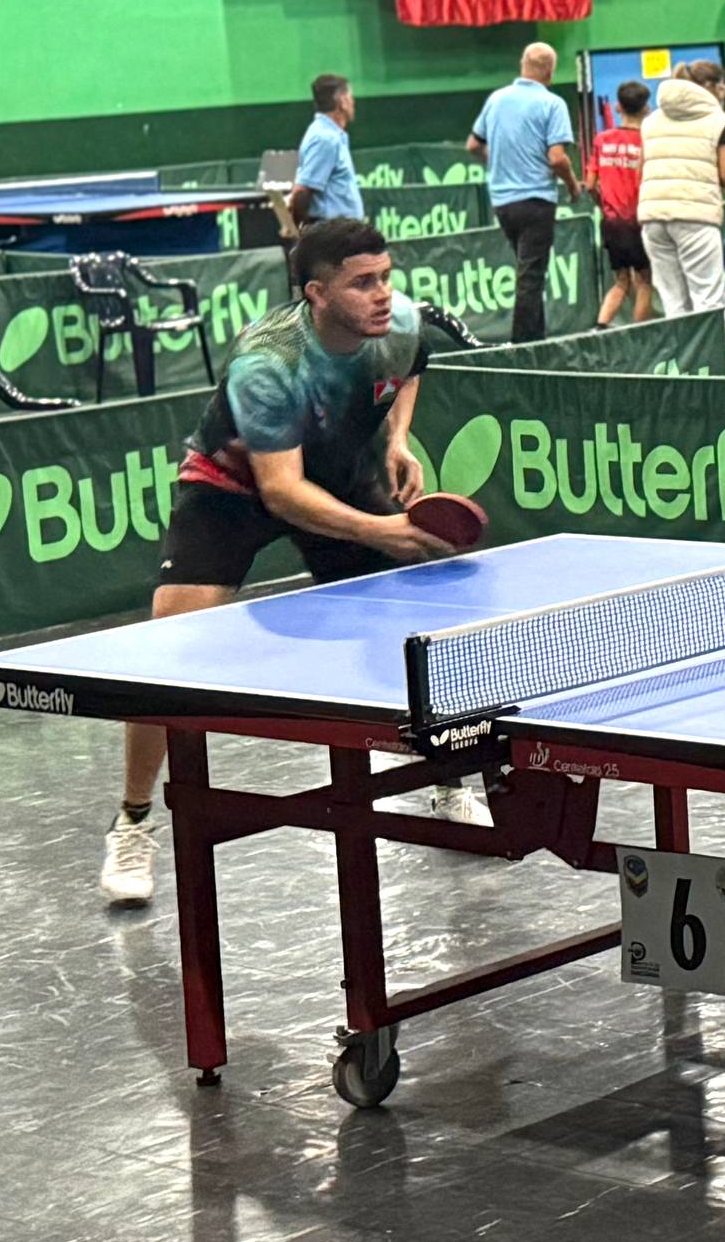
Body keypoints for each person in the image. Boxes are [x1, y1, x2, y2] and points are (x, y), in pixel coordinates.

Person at [98, 219, 460, 905]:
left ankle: (444, 780)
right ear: (316, 294)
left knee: (405, 629)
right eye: (363, 283)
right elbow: (282, 492)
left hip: (343, 472)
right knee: (163, 653)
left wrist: (397, 439)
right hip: (233, 487)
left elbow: (414, 366)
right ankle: (134, 821)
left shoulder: (401, 323)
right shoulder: (269, 363)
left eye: (386, 276)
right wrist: (383, 532)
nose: (383, 294)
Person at [466, 42, 579, 342]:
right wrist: (573, 185)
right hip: (536, 200)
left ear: (522, 64)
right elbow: (557, 157)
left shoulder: (496, 99)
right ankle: (524, 347)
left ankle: (536, 337)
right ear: (550, 72)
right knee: (530, 277)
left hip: (502, 202)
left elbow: (474, 145)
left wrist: (500, 162)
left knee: (529, 270)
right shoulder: (552, 104)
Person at [637, 72, 725, 317]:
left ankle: (684, 356)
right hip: (696, 217)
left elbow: (641, 170)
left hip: (653, 218)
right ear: (707, 87)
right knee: (707, 298)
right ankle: (717, 355)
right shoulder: (719, 121)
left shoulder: (650, 122)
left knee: (673, 302)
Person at [589, 78, 652, 326]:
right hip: (638, 221)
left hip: (611, 222)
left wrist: (604, 206)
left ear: (617, 107)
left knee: (622, 281)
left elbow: (590, 184)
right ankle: (639, 336)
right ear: (647, 109)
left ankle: (599, 328)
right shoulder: (647, 141)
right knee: (645, 281)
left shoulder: (601, 140)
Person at [288, 72, 361, 229]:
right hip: (334, 233)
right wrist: (299, 231)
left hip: (343, 231)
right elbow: (302, 191)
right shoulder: (326, 139)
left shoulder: (329, 135)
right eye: (350, 96)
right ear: (342, 102)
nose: (353, 102)